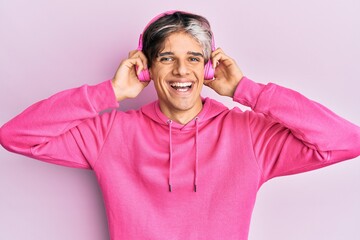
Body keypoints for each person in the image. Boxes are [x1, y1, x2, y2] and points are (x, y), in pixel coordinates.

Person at [0, 10, 359, 240]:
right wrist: (110, 92)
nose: (181, 71)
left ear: (207, 69)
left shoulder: (249, 134)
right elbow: (15, 136)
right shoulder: (110, 134)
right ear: (147, 68)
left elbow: (345, 141)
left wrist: (245, 90)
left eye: (193, 59)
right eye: (166, 58)